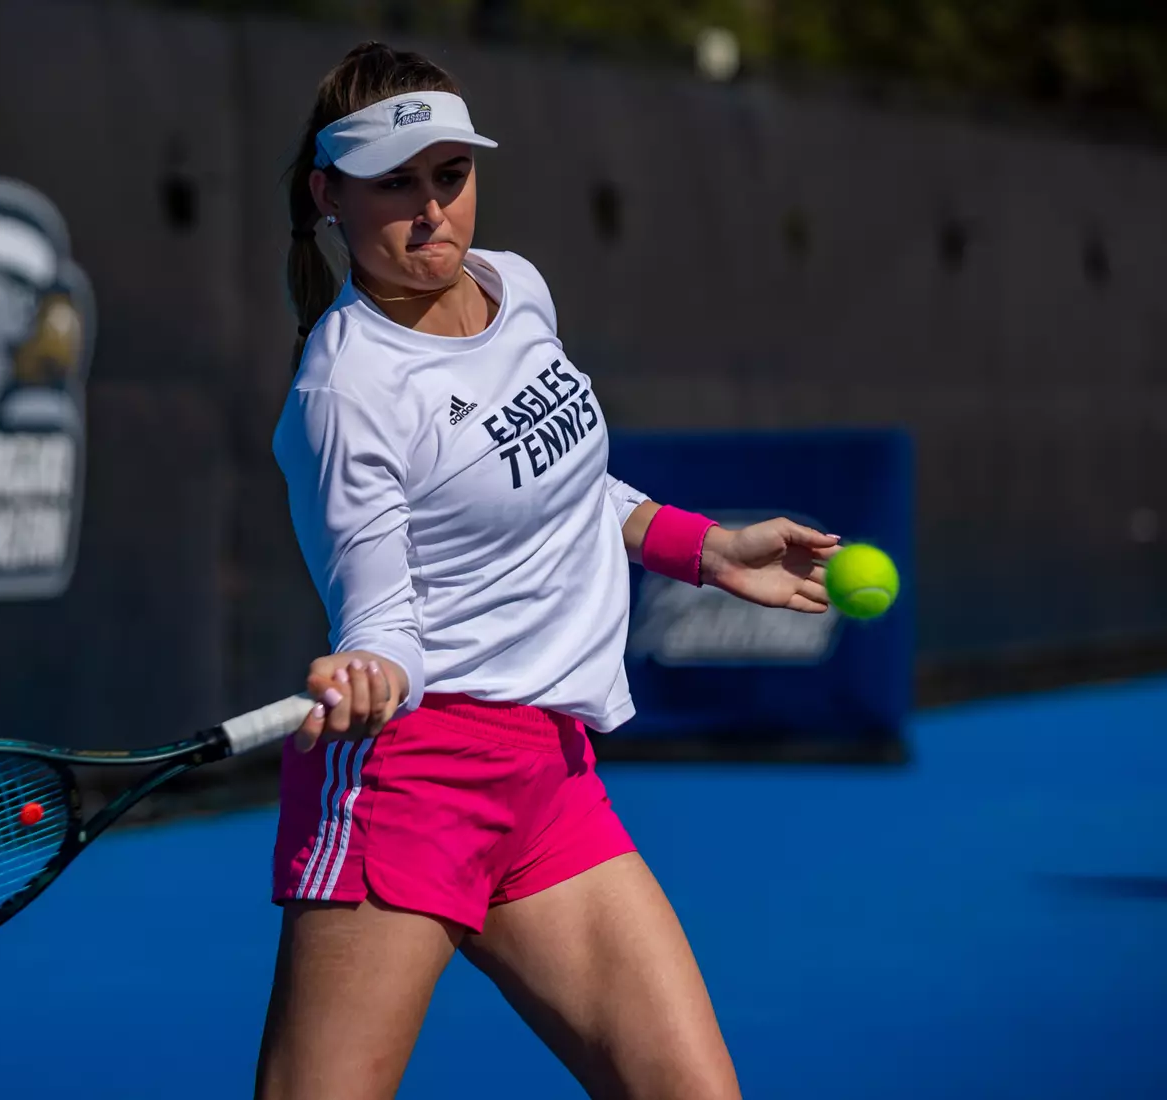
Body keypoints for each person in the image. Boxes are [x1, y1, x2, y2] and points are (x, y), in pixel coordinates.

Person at [259, 42, 839, 1100]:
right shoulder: (347, 393)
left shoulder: (515, 286)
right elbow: (380, 611)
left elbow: (569, 494)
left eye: (450, 175)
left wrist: (704, 547)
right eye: (397, 183)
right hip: (412, 783)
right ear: (328, 194)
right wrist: (371, 665)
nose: (433, 210)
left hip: (549, 779)